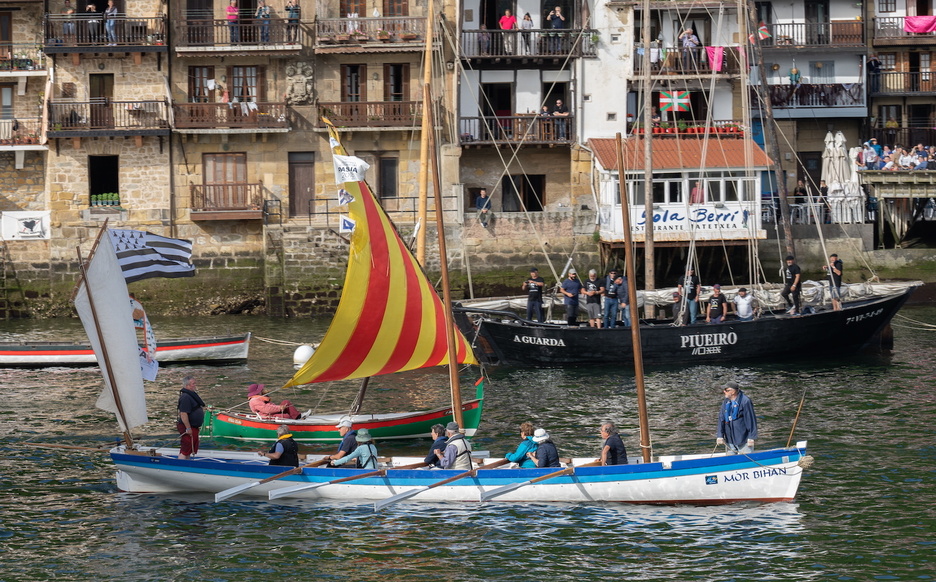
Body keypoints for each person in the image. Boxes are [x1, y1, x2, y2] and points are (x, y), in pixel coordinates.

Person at [716, 381, 758, 455]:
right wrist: (720, 435)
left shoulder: (745, 401)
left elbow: (750, 419)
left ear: (733, 392)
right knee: (730, 459)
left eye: (726, 390)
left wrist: (751, 437)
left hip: (743, 439)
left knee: (745, 459)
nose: (724, 392)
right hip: (729, 439)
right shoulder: (726, 402)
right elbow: (721, 418)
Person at [177, 375, 206, 460]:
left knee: (190, 448)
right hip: (188, 426)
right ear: (187, 385)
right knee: (186, 447)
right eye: (193, 384)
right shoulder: (185, 397)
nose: (195, 385)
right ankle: (180, 464)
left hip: (193, 426)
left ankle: (186, 463)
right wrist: (188, 428)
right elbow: (183, 414)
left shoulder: (191, 395)